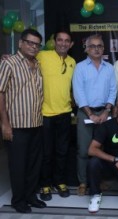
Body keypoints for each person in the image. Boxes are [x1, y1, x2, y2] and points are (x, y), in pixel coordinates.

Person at [0, 29, 46, 213]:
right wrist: (4, 124)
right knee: (18, 165)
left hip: (36, 123)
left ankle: (30, 196)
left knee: (34, 164)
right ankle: (18, 200)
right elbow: (0, 93)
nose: (33, 47)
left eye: (37, 44)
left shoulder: (37, 64)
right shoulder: (8, 63)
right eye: (30, 42)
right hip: (16, 126)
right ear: (20, 43)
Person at [72, 34, 117, 196]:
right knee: (84, 150)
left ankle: (99, 181)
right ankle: (83, 182)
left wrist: (106, 111)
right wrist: (90, 114)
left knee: (103, 150)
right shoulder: (80, 67)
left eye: (99, 46)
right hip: (85, 112)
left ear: (103, 49)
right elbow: (79, 93)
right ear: (87, 49)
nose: (96, 49)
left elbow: (113, 91)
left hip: (105, 113)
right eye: (93, 46)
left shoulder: (110, 68)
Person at [38, 30, 75, 201]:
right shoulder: (42, 56)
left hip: (65, 113)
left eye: (66, 41)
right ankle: (45, 184)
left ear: (71, 44)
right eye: (60, 40)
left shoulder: (73, 61)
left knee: (62, 151)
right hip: (45, 113)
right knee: (46, 152)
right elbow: (24, 58)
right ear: (55, 41)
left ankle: (59, 182)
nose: (63, 43)